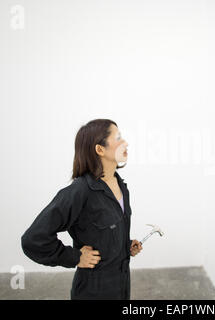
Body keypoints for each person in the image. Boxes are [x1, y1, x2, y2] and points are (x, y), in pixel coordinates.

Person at [21, 119, 142, 299]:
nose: (125, 143)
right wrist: (74, 257)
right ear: (100, 149)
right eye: (118, 138)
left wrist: (125, 245)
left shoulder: (121, 185)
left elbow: (103, 233)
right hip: (93, 292)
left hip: (121, 286)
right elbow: (33, 239)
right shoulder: (80, 191)